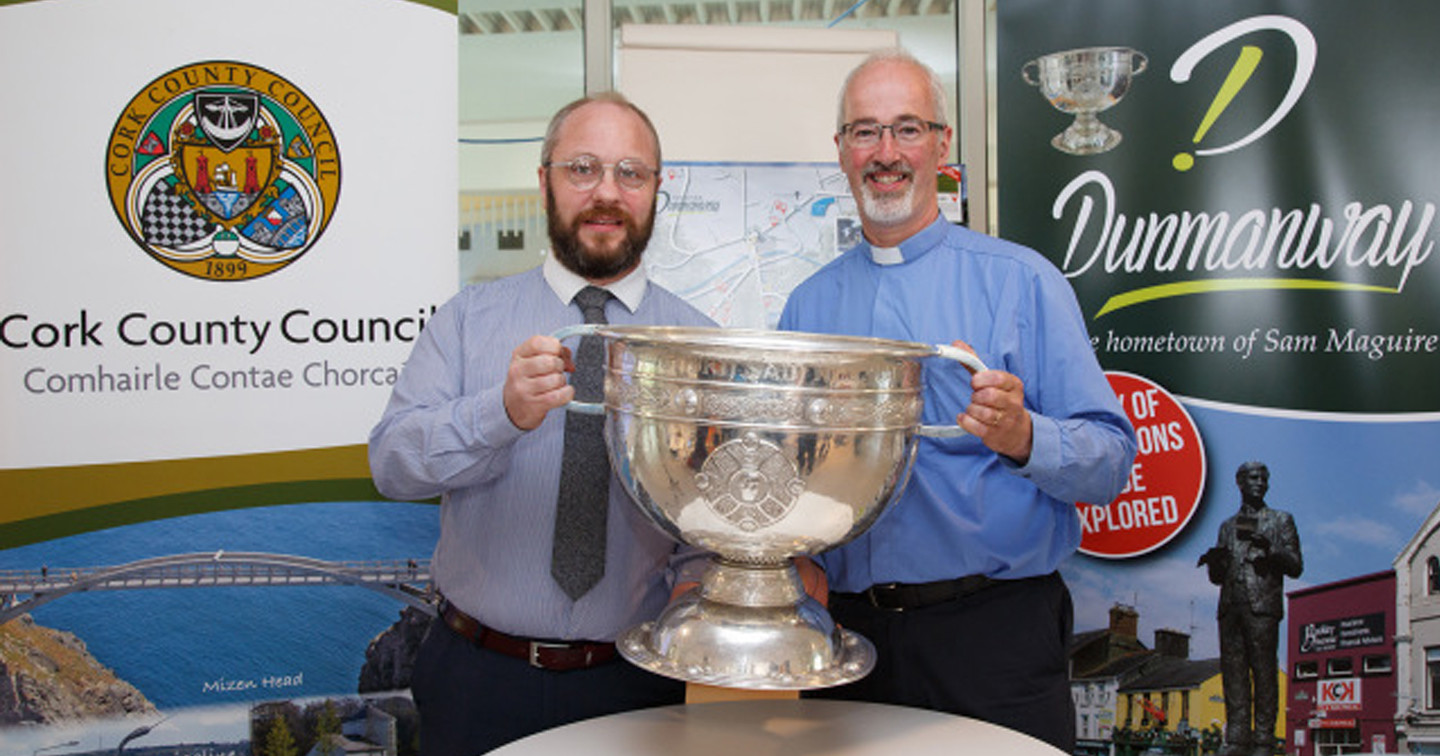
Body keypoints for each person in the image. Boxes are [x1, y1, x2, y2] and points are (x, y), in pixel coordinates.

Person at [777, 49, 1138, 751]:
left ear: (943, 145)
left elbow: (1113, 462)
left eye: (908, 129)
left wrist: (1026, 436)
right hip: (849, 640)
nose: (886, 152)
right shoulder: (806, 306)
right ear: (842, 152)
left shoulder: (1022, 284)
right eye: (865, 131)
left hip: (995, 640)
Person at [368, 92, 713, 755]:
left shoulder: (699, 344)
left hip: (638, 683)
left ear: (656, 191)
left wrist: (700, 583)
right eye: (582, 168)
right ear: (544, 181)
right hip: (476, 681)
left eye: (630, 173)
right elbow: (390, 467)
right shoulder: (467, 321)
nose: (606, 192)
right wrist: (498, 414)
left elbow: (709, 511)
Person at [1198, 462, 1303, 756]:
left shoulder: (1281, 520)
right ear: (1240, 483)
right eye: (1254, 478)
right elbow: (1218, 578)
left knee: (1264, 672)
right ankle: (1238, 739)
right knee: (1233, 675)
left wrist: (1271, 549)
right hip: (1230, 605)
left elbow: (1295, 565)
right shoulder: (1227, 526)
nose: (1260, 483)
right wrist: (1216, 563)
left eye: (1264, 479)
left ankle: (1264, 741)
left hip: (1262, 606)